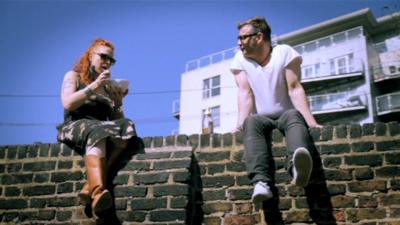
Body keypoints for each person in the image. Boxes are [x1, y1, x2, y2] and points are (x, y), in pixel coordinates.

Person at [230, 17, 323, 204]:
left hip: (286, 114)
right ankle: (261, 183)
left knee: (293, 116)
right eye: (238, 38)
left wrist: (311, 122)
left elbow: (295, 88)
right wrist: (239, 125)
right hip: (262, 118)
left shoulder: (285, 52)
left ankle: (297, 170)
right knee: (251, 122)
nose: (239, 43)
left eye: (243, 38)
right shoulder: (239, 59)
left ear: (259, 37)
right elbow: (245, 93)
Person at [57, 38, 141, 214]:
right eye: (103, 57)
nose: (108, 62)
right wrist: (95, 85)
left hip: (100, 128)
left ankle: (89, 186)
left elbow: (116, 120)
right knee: (100, 130)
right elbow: (68, 104)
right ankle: (98, 192)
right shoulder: (73, 76)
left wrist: (118, 103)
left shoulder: (108, 87)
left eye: (111, 60)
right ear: (90, 56)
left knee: (127, 126)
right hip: (75, 125)